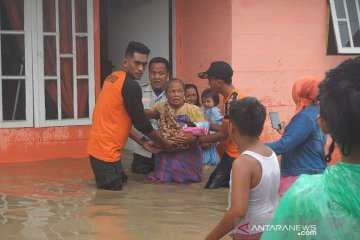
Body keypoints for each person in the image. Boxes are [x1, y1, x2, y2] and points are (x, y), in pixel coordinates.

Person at [262, 57, 360, 239]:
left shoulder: (302, 197)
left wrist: (254, 147)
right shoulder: (311, 116)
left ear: (324, 123)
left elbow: (295, 233)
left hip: (300, 173)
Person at [87, 41, 174, 191]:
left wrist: (143, 143)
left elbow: (120, 121)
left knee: (121, 185)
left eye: (144, 64)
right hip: (106, 153)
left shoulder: (112, 78)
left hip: (101, 150)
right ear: (125, 62)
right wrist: (166, 145)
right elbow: (142, 123)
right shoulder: (131, 86)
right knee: (111, 204)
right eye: (137, 63)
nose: (141, 69)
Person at [205, 98, 280, 240]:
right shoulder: (271, 154)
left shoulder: (243, 163)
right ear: (261, 128)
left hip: (250, 233)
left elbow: (238, 211)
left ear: (231, 127)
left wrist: (210, 238)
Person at [176, 61, 246, 189]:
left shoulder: (232, 101)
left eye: (210, 80)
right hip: (233, 152)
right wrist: (205, 125)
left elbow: (222, 135)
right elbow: (224, 129)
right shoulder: (232, 98)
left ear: (219, 82)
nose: (208, 83)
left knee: (211, 189)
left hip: (236, 154)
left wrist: (195, 139)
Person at [265, 76, 327, 196]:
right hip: (314, 172)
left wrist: (254, 147)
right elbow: (308, 139)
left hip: (301, 175)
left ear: (301, 92)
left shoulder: (305, 116)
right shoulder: (319, 112)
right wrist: (286, 130)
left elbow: (284, 144)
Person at [146, 78, 206, 184]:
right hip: (167, 150)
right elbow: (148, 113)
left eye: (180, 91)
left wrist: (193, 137)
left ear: (184, 93)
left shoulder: (193, 109)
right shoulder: (161, 107)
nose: (176, 94)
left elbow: (204, 128)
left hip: (188, 151)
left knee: (188, 181)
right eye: (172, 91)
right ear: (166, 93)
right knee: (165, 182)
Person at [131, 57, 169, 174]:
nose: (157, 77)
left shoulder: (175, 93)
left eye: (161, 73)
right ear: (149, 74)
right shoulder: (138, 91)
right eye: (153, 73)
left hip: (166, 150)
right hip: (142, 151)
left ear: (167, 74)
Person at [201, 88, 223, 165]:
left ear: (215, 101)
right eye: (203, 102)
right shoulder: (204, 109)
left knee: (211, 154)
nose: (206, 104)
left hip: (211, 137)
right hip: (206, 135)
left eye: (208, 101)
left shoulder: (214, 110)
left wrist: (210, 138)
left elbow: (218, 123)